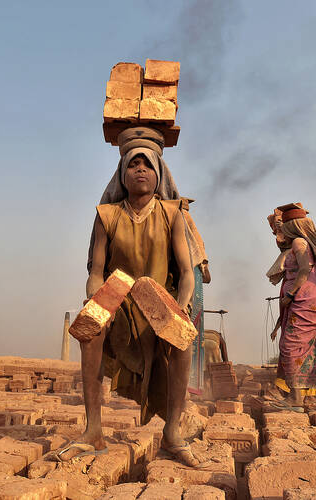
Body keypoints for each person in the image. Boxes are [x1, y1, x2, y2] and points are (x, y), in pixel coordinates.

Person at [57, 126, 203, 466]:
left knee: (183, 339)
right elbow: (96, 271)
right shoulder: (106, 215)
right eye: (133, 164)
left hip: (158, 300)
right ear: (122, 174)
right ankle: (93, 431)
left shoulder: (173, 213)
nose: (140, 169)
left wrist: (180, 307)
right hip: (118, 300)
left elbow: (184, 273)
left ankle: (172, 433)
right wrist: (94, 297)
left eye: (147, 164)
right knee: (90, 330)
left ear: (158, 173)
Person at [267, 203, 316, 412]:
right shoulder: (302, 243)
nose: (281, 229)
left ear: (292, 226)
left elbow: (304, 269)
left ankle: (295, 398)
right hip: (314, 301)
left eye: (283, 224)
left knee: (290, 346)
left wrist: (290, 295)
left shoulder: (300, 243)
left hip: (303, 301)